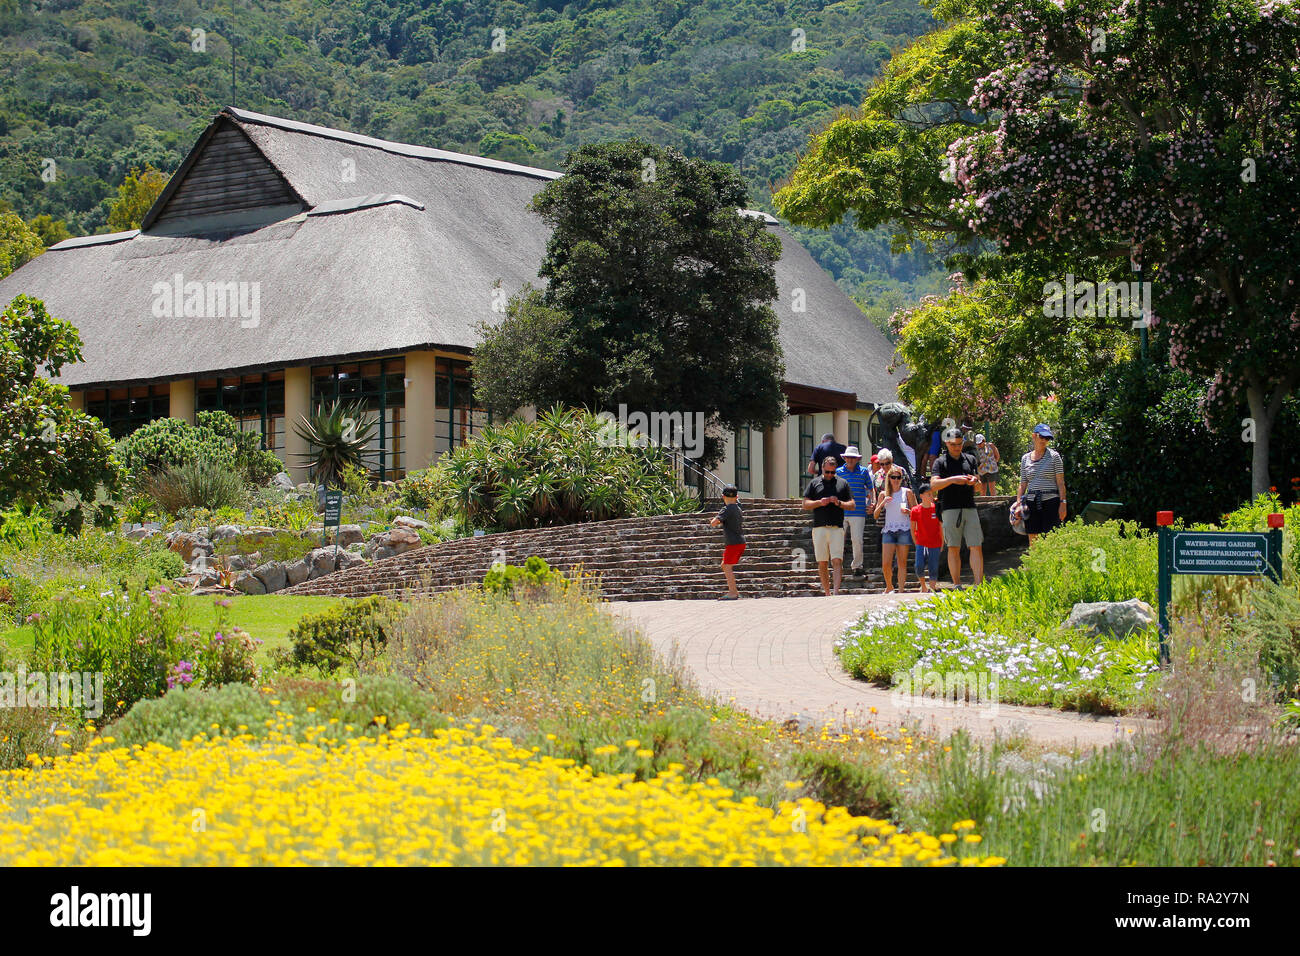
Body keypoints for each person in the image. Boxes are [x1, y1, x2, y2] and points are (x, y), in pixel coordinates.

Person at [930, 427, 985, 588]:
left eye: (960, 444)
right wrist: (953, 479)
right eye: (954, 444)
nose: (957, 447)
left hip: (970, 507)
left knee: (976, 545)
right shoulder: (940, 462)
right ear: (947, 443)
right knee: (953, 547)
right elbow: (933, 485)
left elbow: (979, 487)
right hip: (949, 508)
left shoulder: (970, 460)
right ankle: (957, 585)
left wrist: (973, 482)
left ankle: (979, 585)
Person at [802, 453, 854, 596]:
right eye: (827, 472)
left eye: (833, 472)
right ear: (822, 468)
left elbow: (852, 504)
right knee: (822, 562)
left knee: (837, 560)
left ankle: (836, 592)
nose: (830, 474)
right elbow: (805, 504)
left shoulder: (842, 483)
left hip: (837, 528)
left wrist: (839, 503)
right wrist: (820, 502)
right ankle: (827, 592)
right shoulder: (814, 483)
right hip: (819, 527)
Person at [1016, 423, 1068, 547]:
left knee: (1051, 538)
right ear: (1034, 436)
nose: (1044, 440)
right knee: (1033, 539)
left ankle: (1051, 565)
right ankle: (1035, 565)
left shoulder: (1054, 456)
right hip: (1032, 502)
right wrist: (1018, 504)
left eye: (1047, 438)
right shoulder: (1025, 459)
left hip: (1051, 501)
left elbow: (1061, 483)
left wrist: (1063, 503)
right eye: (1042, 437)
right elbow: (1022, 485)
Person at [873, 466, 915, 593]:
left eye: (898, 477)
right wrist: (882, 503)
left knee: (902, 562)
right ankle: (889, 586)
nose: (896, 480)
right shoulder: (883, 494)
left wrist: (909, 511)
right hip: (888, 529)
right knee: (886, 563)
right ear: (888, 478)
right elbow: (875, 515)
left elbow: (917, 511)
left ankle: (901, 589)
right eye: (893, 477)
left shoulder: (907, 492)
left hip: (904, 528)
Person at [836, 446, 874, 579]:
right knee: (837, 540)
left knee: (857, 540)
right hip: (840, 511)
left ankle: (857, 566)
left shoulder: (863, 471)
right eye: (848, 457)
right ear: (844, 458)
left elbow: (870, 488)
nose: (850, 460)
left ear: (857, 459)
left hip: (858, 511)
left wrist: (871, 504)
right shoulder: (838, 472)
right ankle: (836, 566)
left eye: (853, 458)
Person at [708, 484, 745, 599]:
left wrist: (718, 519)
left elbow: (713, 523)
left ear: (723, 497)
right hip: (739, 541)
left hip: (733, 543)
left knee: (727, 566)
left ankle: (733, 592)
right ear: (737, 496)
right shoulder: (738, 508)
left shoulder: (727, 509)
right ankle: (734, 591)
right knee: (725, 565)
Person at [910, 482, 944, 592]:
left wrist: (942, 542)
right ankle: (923, 586)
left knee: (933, 566)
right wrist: (916, 542)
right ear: (921, 496)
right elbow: (912, 528)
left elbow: (941, 527)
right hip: (921, 542)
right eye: (928, 494)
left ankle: (932, 587)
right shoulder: (915, 510)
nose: (931, 496)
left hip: (935, 542)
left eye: (931, 494)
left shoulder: (936, 508)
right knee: (918, 565)